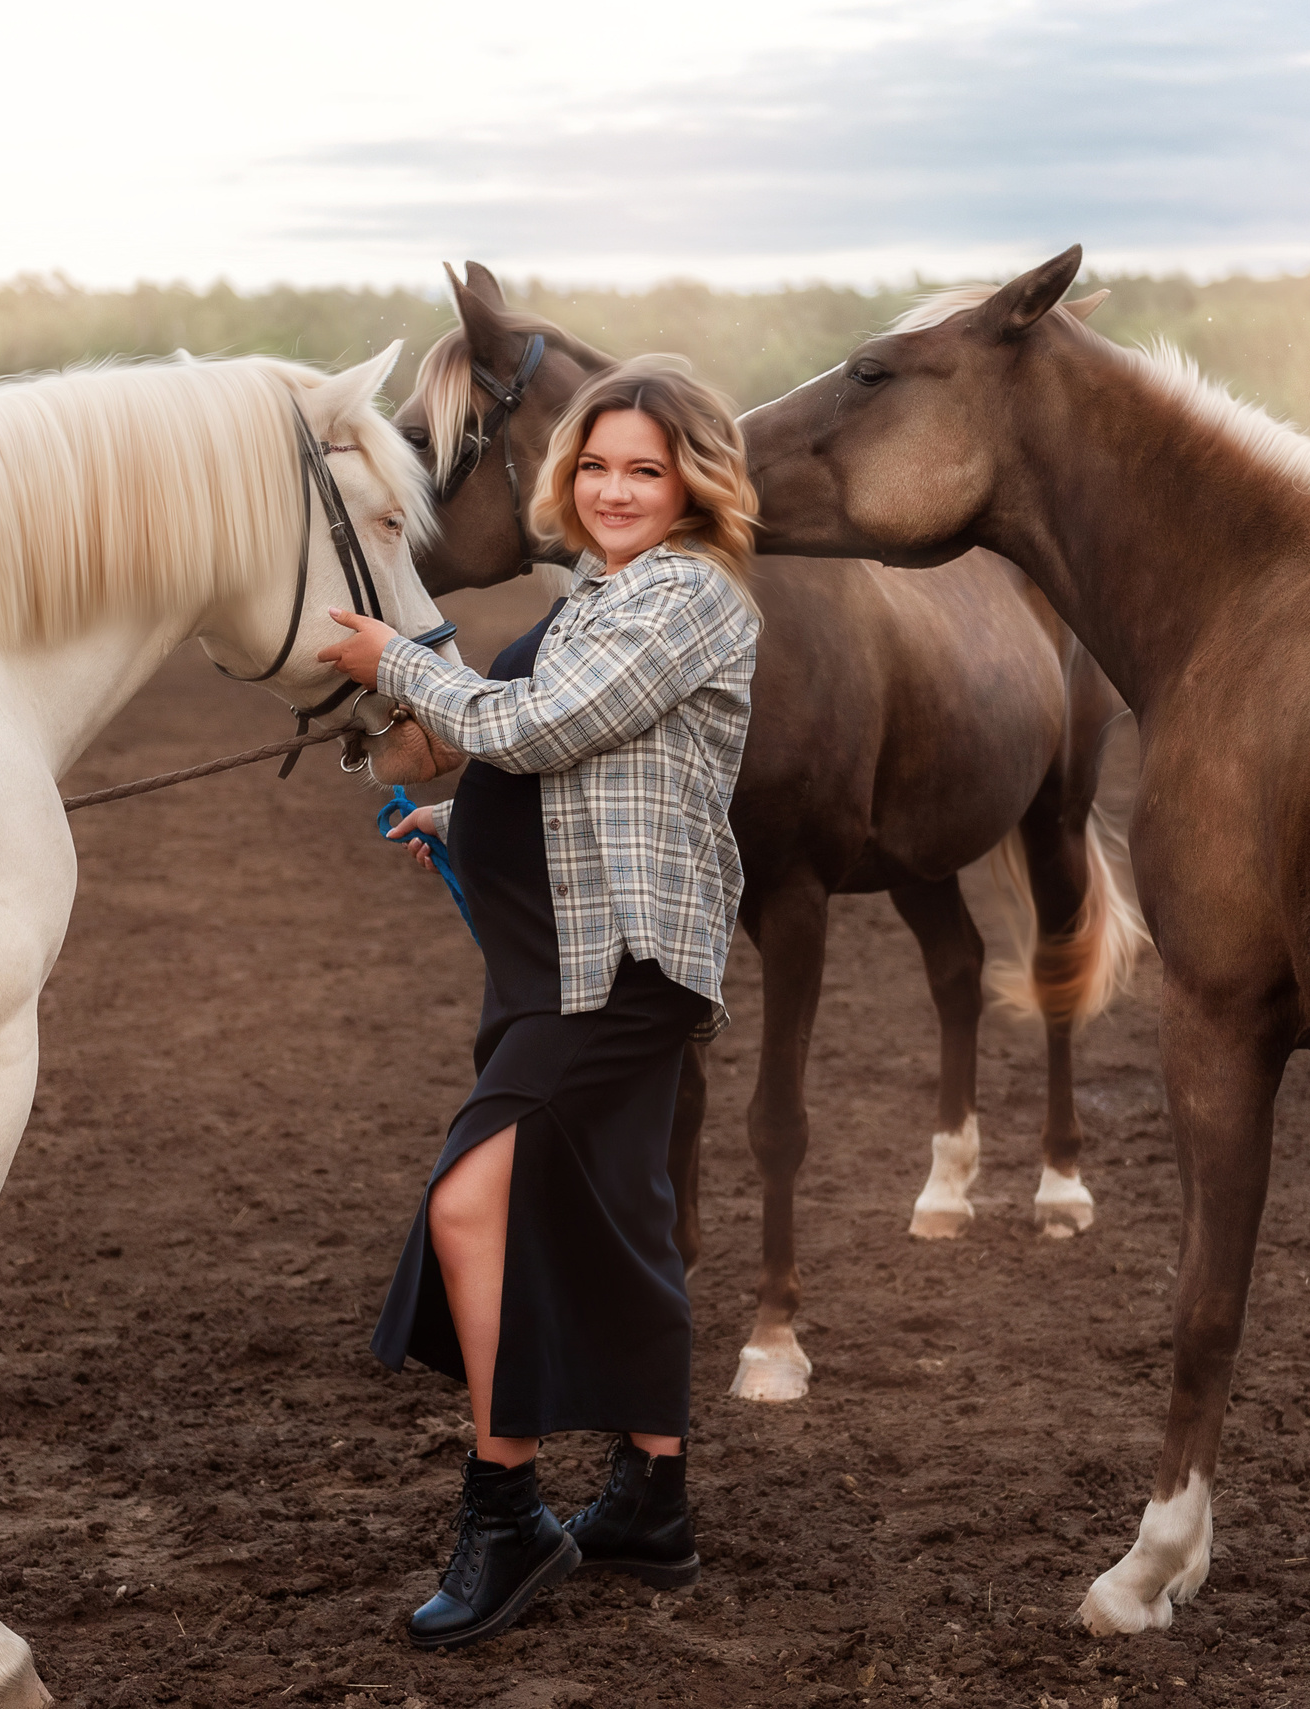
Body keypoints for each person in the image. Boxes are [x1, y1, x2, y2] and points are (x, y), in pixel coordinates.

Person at [317, 356, 762, 1650]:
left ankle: (507, 1511)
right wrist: (467, 816)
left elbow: (550, 725)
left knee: (474, 1202)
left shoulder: (691, 595)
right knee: (616, 1210)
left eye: (646, 467)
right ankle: (652, 1499)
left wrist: (398, 659)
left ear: (693, 484)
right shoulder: (602, 591)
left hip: (613, 966)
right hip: (558, 952)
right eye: (597, 464)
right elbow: (583, 767)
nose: (615, 488)